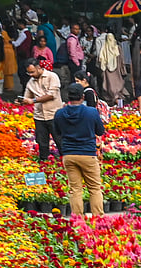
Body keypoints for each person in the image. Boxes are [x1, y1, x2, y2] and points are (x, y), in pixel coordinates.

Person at [53, 84, 106, 217]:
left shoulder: (60, 113)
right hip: (87, 154)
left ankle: (77, 219)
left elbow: (57, 132)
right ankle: (98, 218)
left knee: (75, 189)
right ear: (82, 97)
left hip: (69, 154)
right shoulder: (91, 112)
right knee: (94, 188)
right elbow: (100, 131)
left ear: (68, 97)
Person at [21, 58, 63, 160]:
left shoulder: (52, 76)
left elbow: (51, 95)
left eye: (32, 72)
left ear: (39, 68)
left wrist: (33, 101)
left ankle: (66, 162)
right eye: (28, 73)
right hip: (39, 116)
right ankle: (44, 163)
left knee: (60, 141)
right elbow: (27, 96)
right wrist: (22, 101)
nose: (30, 75)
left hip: (54, 115)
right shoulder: (31, 81)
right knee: (42, 142)